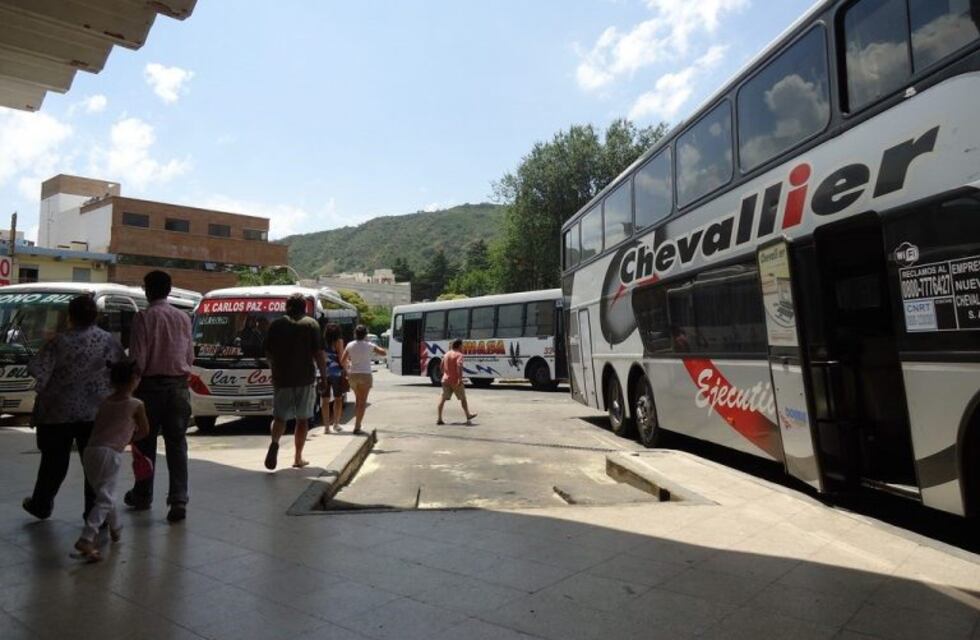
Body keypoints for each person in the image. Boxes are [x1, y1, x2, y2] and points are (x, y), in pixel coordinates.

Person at [23, 295, 124, 520]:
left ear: (70, 316)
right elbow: (122, 369)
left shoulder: (58, 342)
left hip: (57, 412)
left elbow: (37, 370)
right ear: (95, 316)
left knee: (53, 462)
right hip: (95, 412)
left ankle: (41, 504)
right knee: (93, 465)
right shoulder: (108, 341)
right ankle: (94, 512)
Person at [125, 270, 194, 523]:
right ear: (169, 289)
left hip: (150, 390)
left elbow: (138, 360)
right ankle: (178, 499)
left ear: (147, 290)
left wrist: (128, 392)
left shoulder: (143, 318)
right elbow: (189, 357)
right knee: (177, 445)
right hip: (179, 389)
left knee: (145, 443)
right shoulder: (183, 318)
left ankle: (143, 495)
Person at [74, 360, 150, 561]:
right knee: (105, 498)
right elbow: (145, 431)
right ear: (135, 379)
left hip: (90, 451)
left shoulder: (105, 402)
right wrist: (128, 438)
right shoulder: (136, 404)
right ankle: (86, 538)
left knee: (104, 492)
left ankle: (116, 528)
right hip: (110, 454)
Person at [264, 294, 327, 469]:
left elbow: (268, 353)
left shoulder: (276, 325)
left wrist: (274, 370)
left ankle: (275, 442)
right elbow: (319, 354)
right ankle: (298, 457)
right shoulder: (311, 324)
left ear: (287, 307)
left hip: (282, 378)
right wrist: (324, 377)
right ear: (304, 307)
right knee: (302, 419)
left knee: (279, 418)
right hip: (304, 378)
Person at [341, 325, 387, 435]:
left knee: (358, 400)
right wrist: (371, 344)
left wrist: (348, 368)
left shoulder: (350, 345)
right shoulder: (369, 345)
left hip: (353, 375)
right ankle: (357, 426)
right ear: (366, 334)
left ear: (355, 334)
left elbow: (343, 360)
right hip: (365, 375)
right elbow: (383, 353)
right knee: (362, 402)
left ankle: (357, 423)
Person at [437, 339, 478, 426]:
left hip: (445, 380)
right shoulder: (459, 355)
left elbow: (441, 366)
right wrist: (460, 378)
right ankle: (468, 415)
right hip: (455, 381)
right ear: (459, 345)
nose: (462, 347)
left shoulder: (446, 354)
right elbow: (459, 365)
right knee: (463, 399)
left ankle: (439, 418)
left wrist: (445, 373)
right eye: (462, 345)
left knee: (442, 399)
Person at [321, 322, 346, 433]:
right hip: (336, 373)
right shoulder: (339, 342)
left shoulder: (321, 342)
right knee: (338, 398)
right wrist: (346, 368)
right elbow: (341, 357)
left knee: (325, 400)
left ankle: (326, 427)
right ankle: (336, 424)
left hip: (324, 373)